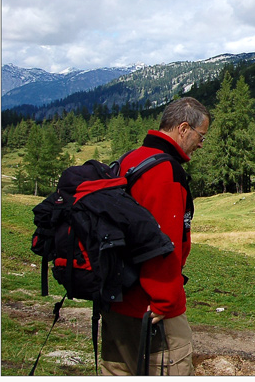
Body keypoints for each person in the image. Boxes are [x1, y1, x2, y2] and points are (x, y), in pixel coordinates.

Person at [100, 97, 210, 376]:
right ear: (184, 128)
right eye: (201, 136)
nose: (201, 144)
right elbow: (164, 245)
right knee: (171, 365)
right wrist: (164, 301)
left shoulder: (131, 159)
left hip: (115, 299)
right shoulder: (166, 173)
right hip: (150, 307)